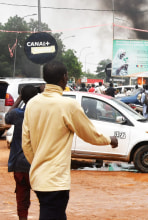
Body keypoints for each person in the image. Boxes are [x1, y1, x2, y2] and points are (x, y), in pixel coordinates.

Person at [22, 61, 118, 220]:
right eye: (66, 76)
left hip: (38, 178)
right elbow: (89, 134)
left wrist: (38, 164)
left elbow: (26, 143)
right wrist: (109, 139)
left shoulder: (32, 104)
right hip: (56, 181)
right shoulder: (68, 105)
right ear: (64, 78)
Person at [5, 85, 39, 220]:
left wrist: (20, 98)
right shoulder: (40, 114)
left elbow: (7, 117)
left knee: (22, 199)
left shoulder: (18, 115)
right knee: (45, 198)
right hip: (36, 163)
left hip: (19, 163)